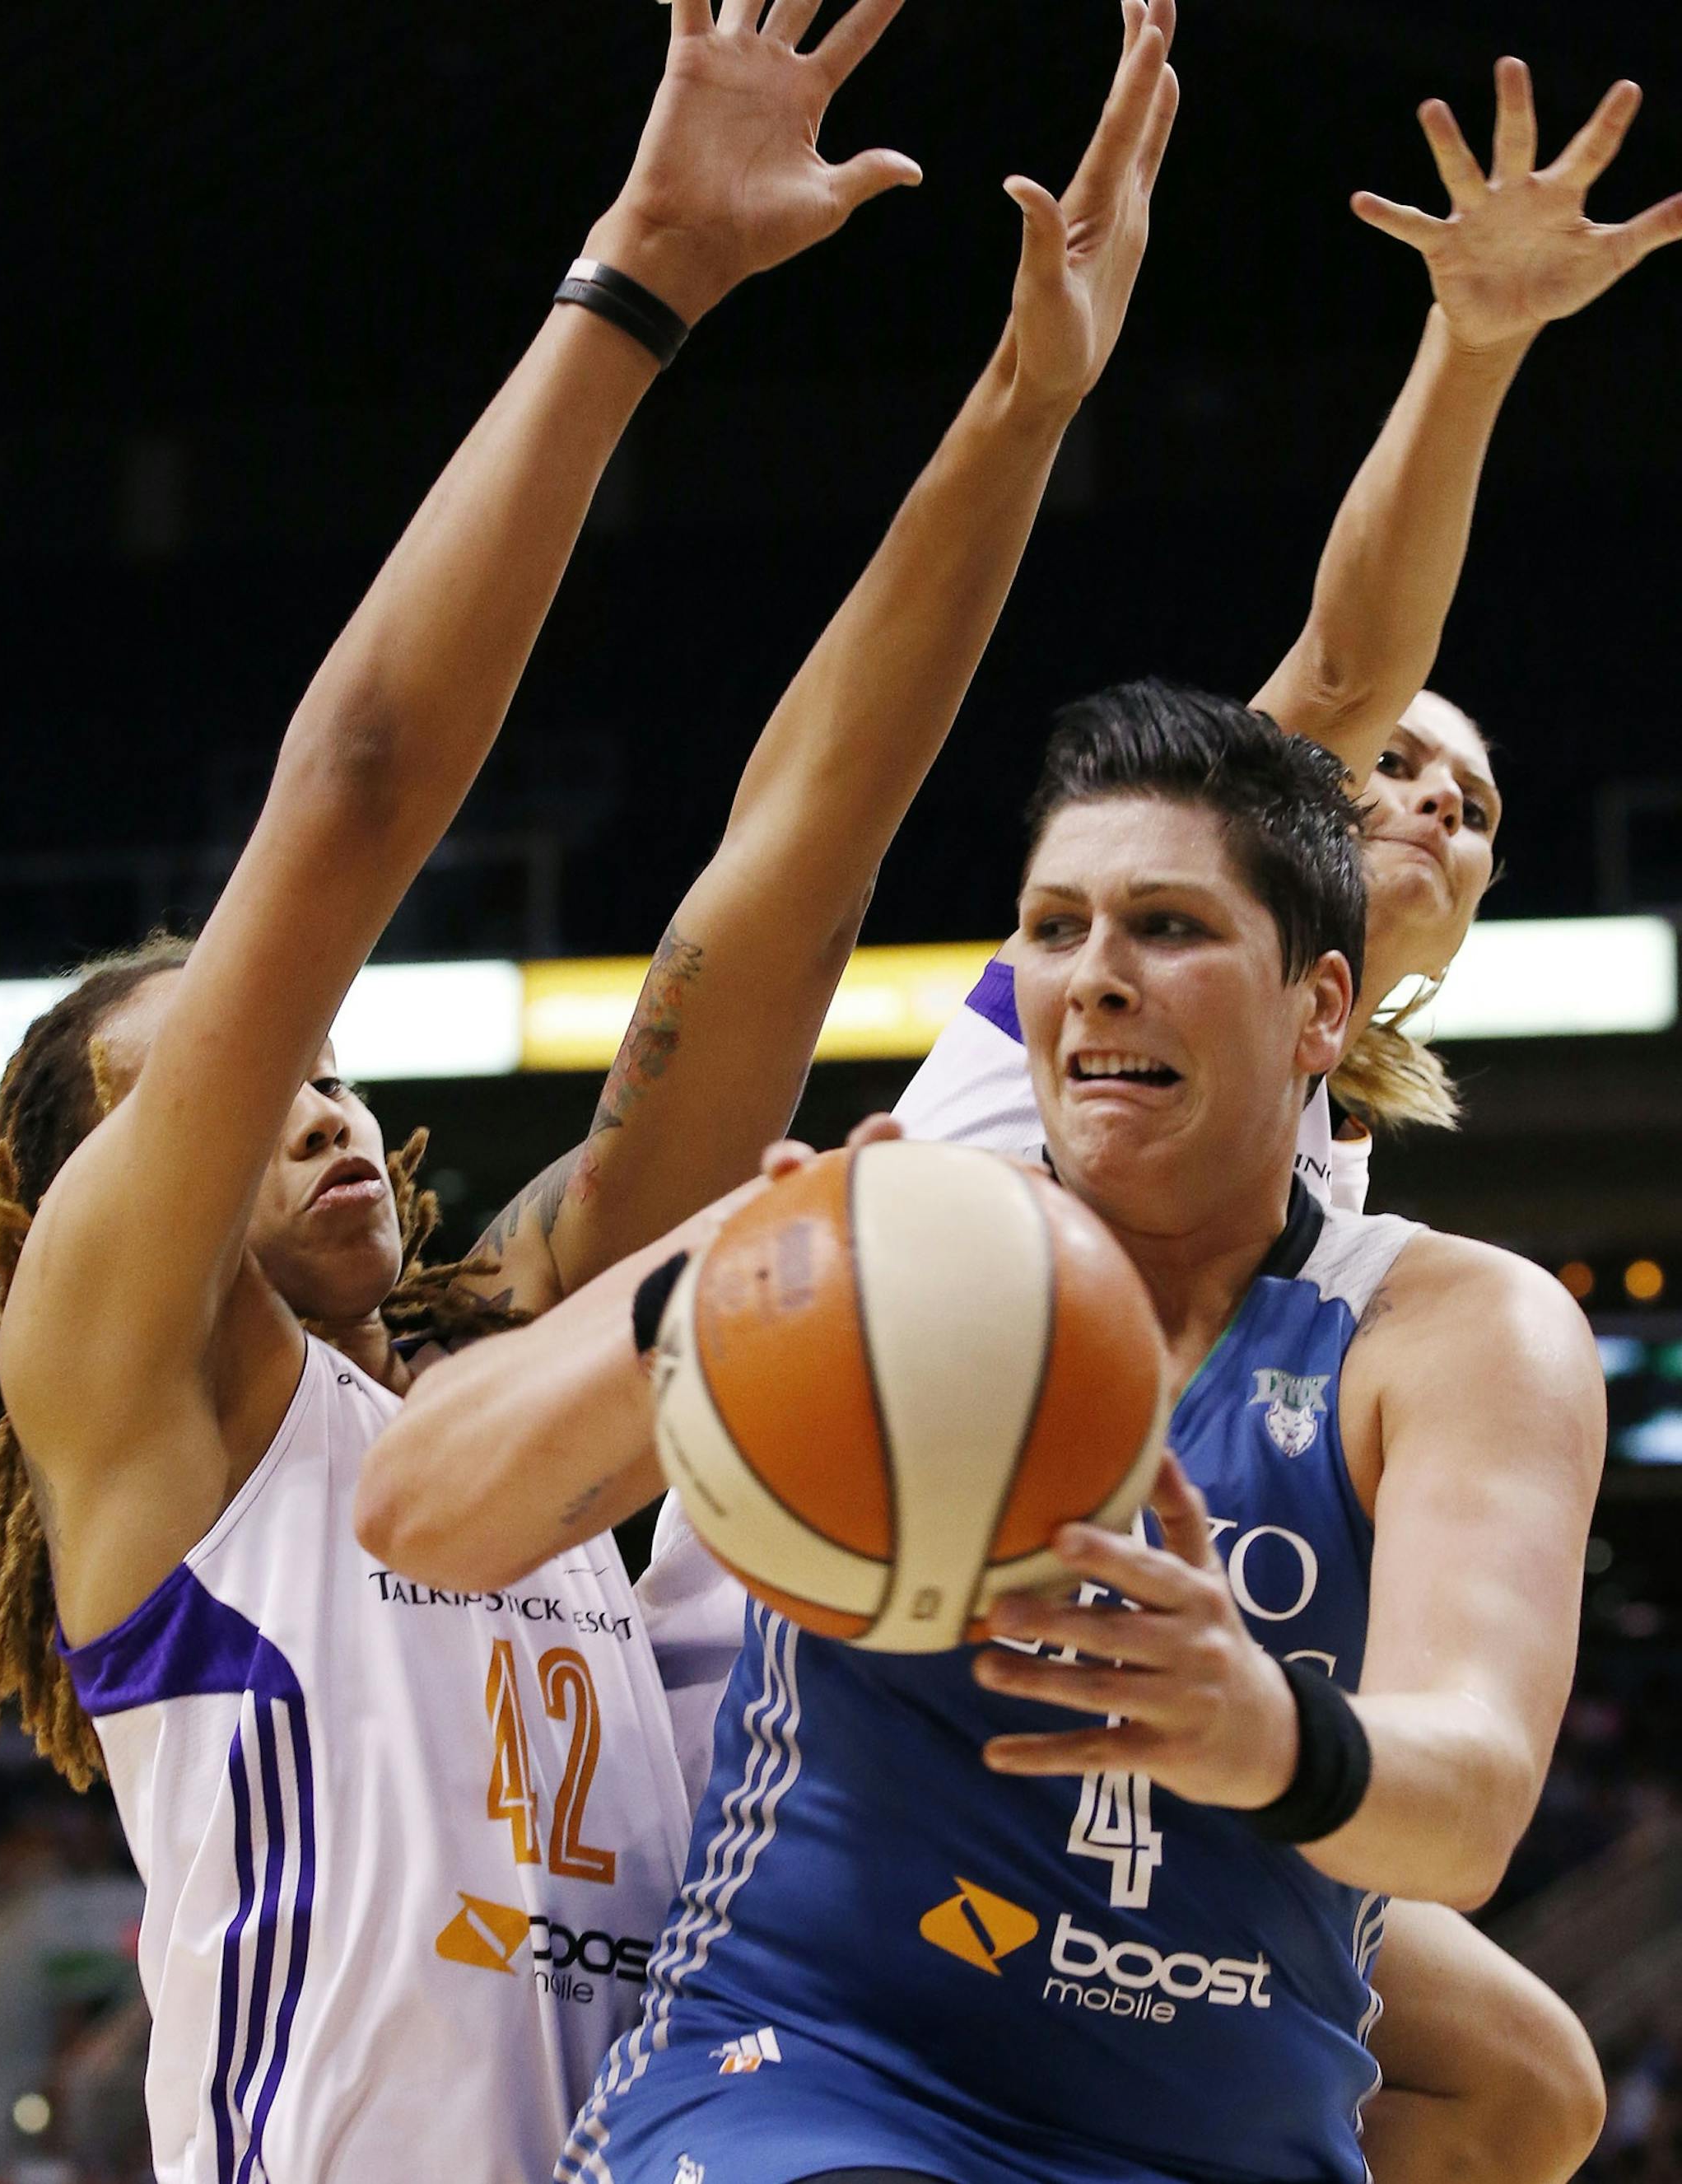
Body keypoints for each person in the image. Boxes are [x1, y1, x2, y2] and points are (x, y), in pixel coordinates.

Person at [0, 4, 1199, 2178]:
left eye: (324, 1067)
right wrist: (642, 279)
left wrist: (1021, 404)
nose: (310, 1102)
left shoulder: (507, 1386)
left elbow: (787, 882)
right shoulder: (148, 1409)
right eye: (220, 1088)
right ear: (89, 1209)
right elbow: (355, 793)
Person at [631, 58, 1682, 2184]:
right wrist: (1475, 350)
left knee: (1526, 2078)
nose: (1425, 798)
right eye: (1395, 767)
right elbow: (1348, 663)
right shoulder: (1085, 1013)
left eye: (1474, 802)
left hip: (1081, 1734)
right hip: (788, 1683)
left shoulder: (1347, 1209)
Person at [362, 684, 1607, 2184]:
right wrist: (720, 1292)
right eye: (1054, 929)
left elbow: (1469, 1798)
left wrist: (1263, 1730)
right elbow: (415, 1510)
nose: (1095, 980)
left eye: (1168, 928)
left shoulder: (1455, 1329)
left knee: (1537, 2097)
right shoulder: (886, 1239)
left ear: (1322, 1010)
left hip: (1212, 2134)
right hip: (811, 2083)